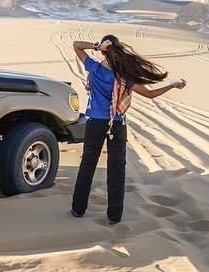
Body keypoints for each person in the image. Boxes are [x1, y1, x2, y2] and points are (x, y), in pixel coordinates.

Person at [71, 35, 187, 224]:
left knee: (87, 165)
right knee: (116, 170)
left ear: (104, 51)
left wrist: (97, 46)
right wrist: (172, 85)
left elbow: (76, 45)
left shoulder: (94, 68)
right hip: (117, 124)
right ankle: (114, 216)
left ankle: (78, 209)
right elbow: (150, 94)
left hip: (95, 122)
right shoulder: (124, 77)